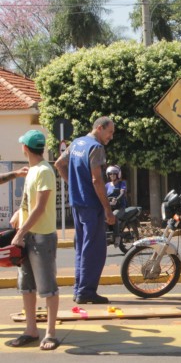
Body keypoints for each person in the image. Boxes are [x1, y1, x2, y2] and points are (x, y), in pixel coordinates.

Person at [7, 130, 60, 351]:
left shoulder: (45, 171)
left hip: (42, 236)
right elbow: (28, 203)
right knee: (26, 286)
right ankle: (31, 330)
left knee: (47, 287)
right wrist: (19, 214)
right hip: (28, 234)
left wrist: (20, 234)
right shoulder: (32, 171)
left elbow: (40, 208)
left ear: (25, 149)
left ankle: (50, 333)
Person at [54, 116, 116, 305]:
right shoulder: (96, 148)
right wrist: (108, 210)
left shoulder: (77, 143)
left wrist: (72, 184)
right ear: (99, 128)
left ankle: (79, 290)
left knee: (82, 248)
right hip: (92, 205)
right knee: (95, 250)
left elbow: (58, 164)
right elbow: (97, 180)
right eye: (110, 132)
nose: (111, 137)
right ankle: (86, 291)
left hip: (77, 203)